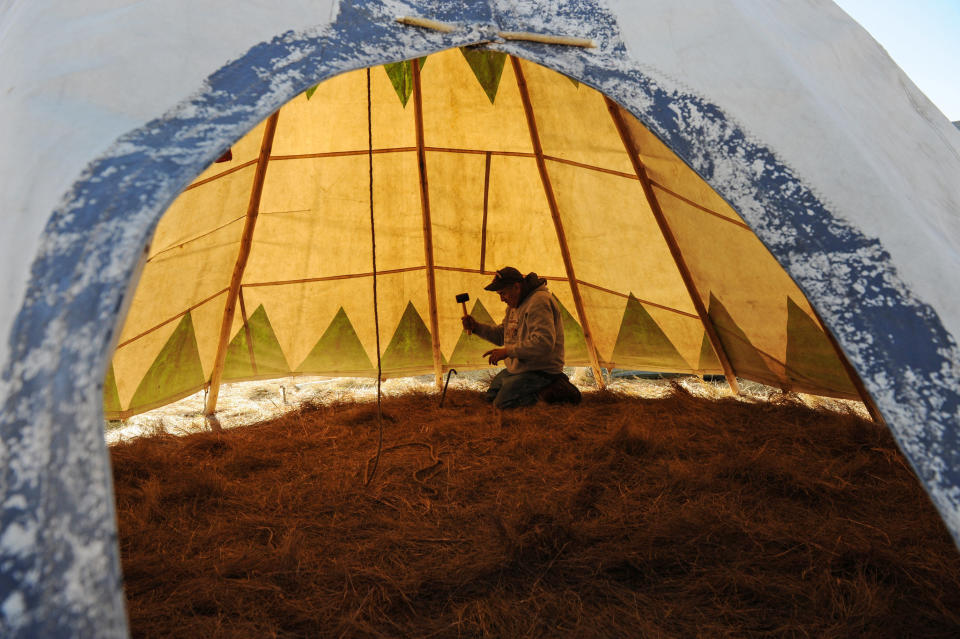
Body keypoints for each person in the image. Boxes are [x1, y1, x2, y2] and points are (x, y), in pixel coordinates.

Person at [462, 266, 581, 408]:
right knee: (491, 396)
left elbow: (543, 343)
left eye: (503, 293)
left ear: (517, 287)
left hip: (541, 371)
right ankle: (538, 390)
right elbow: (502, 336)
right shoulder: (514, 306)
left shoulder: (539, 301)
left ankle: (556, 390)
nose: (502, 299)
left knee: (503, 404)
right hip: (520, 370)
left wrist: (507, 352)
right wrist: (476, 327)